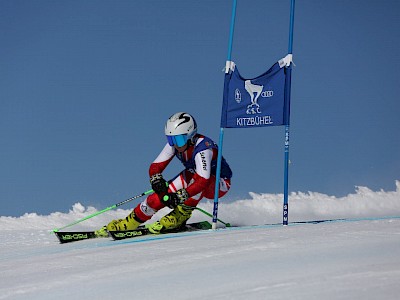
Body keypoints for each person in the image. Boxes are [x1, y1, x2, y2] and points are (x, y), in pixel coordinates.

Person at [96, 112, 232, 236]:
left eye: (179, 140)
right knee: (158, 197)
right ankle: (130, 222)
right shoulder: (174, 145)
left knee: (198, 182)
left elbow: (202, 180)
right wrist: (157, 181)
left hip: (219, 184)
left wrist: (181, 195)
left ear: (190, 135)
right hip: (194, 176)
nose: (175, 145)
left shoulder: (203, 149)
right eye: (171, 140)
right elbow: (155, 166)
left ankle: (181, 215)